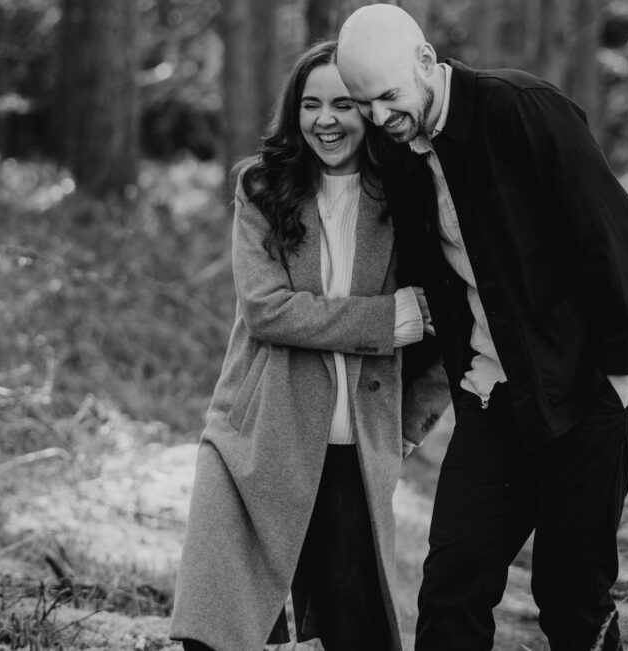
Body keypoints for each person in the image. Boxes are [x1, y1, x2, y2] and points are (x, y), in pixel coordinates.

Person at [336, 5, 628, 651]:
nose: (377, 116)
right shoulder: (399, 148)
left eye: (388, 95)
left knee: (571, 596)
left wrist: (620, 378)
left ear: (427, 61)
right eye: (363, 102)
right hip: (494, 394)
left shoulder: (521, 108)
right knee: (452, 585)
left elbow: (610, 236)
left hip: (589, 385)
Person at [169, 40, 444, 651]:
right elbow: (267, 310)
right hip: (256, 432)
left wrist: (402, 432)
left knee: (355, 625)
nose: (325, 120)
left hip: (354, 443)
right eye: (311, 104)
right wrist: (384, 320)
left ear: (369, 111)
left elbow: (442, 324)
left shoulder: (406, 195)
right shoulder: (263, 188)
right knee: (216, 625)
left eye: (343, 104)